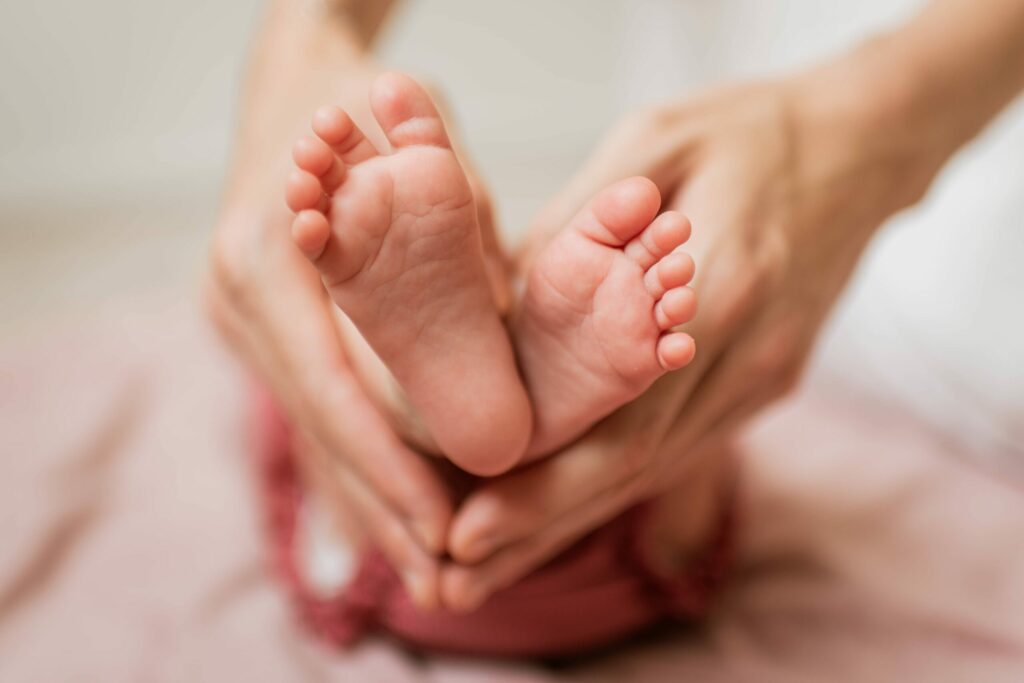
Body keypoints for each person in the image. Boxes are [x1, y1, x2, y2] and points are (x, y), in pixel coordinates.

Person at [205, 0, 1024, 648]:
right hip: (639, 552)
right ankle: (545, 378)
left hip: (393, 554)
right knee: (668, 389)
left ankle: (430, 392)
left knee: (328, 371)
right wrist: (307, 41)